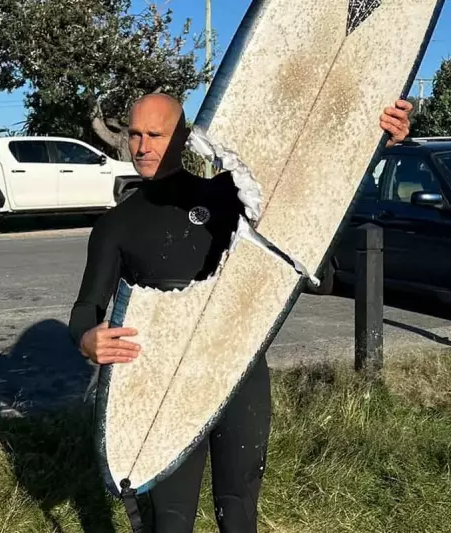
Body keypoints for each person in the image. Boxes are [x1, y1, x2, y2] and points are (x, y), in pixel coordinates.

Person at [69, 94, 413, 532]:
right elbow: (87, 307)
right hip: (165, 385)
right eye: (135, 135)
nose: (142, 146)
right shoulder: (115, 224)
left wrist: (376, 141)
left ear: (183, 137)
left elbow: (312, 182)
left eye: (155, 134)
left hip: (239, 370)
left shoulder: (226, 197)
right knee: (170, 520)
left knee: (239, 505)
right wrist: (87, 339)